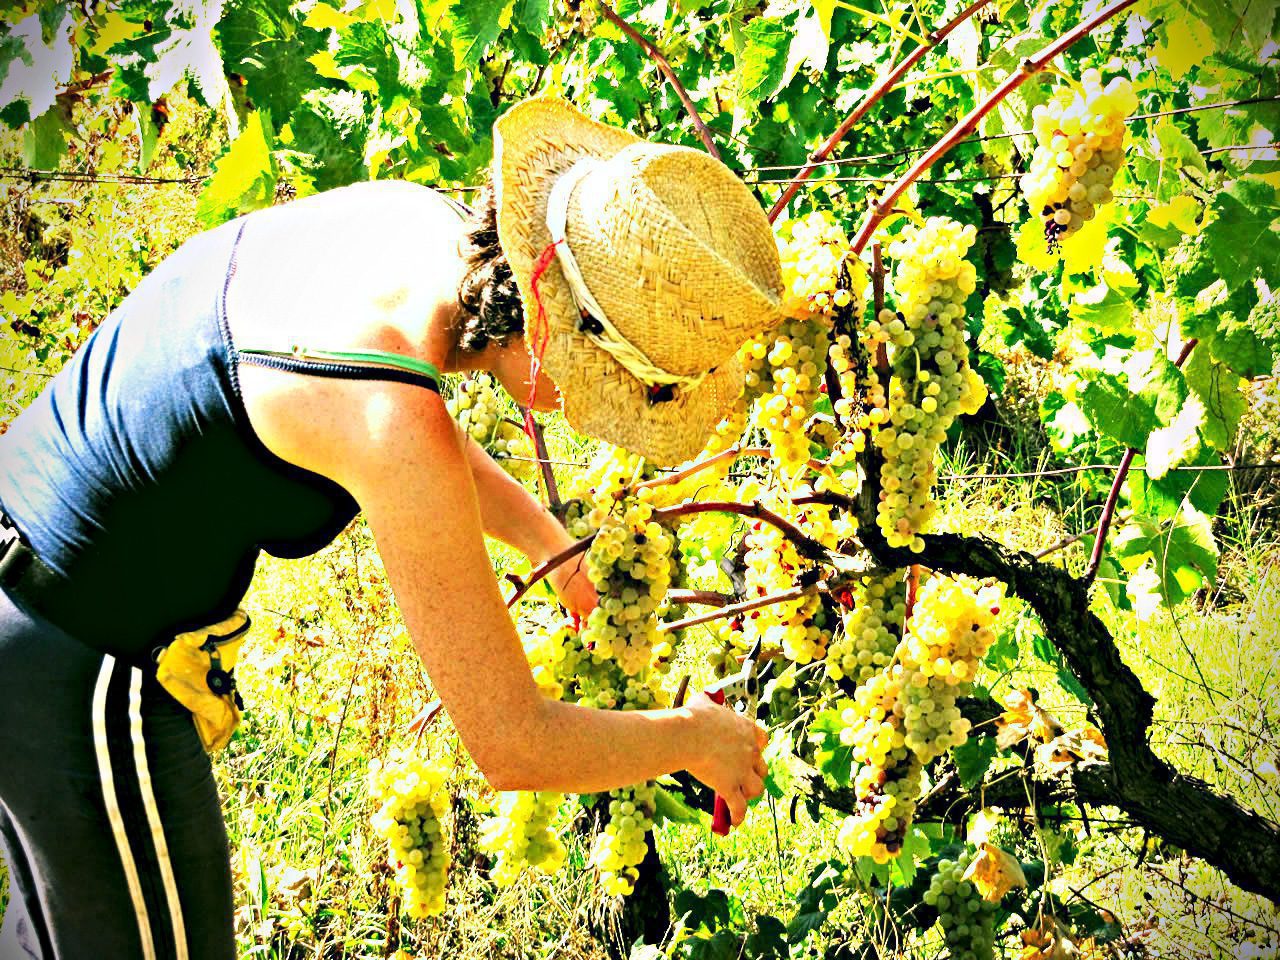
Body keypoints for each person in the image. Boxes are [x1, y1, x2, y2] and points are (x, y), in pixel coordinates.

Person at [0, 97, 784, 960]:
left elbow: (399, 415)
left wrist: (546, 542)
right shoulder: (390, 419)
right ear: (552, 332)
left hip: (26, 575)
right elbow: (512, 742)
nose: (580, 413)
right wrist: (694, 740)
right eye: (604, 390)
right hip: (74, 655)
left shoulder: (415, 229)